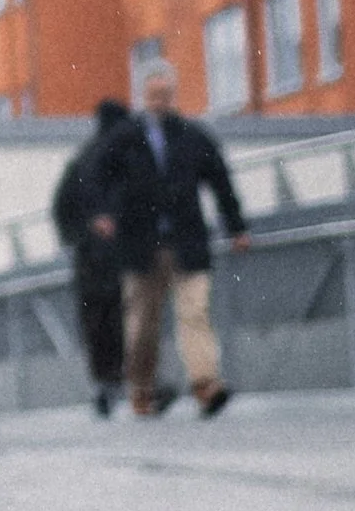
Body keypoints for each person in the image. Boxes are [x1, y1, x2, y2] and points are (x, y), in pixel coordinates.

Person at [107, 59, 252, 421]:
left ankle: (206, 386)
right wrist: (103, 216)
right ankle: (141, 388)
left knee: (195, 313)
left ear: (174, 95)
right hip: (141, 248)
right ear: (144, 96)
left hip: (186, 243)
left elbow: (221, 181)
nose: (160, 102)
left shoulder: (193, 136)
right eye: (154, 96)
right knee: (142, 323)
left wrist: (236, 226)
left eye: (165, 95)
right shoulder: (124, 140)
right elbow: (96, 181)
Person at [51, 98, 130, 416]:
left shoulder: (81, 160)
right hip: (122, 254)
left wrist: (79, 235)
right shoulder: (126, 158)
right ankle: (129, 381)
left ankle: (105, 382)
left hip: (90, 258)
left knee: (98, 321)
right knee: (127, 316)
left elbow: (60, 208)